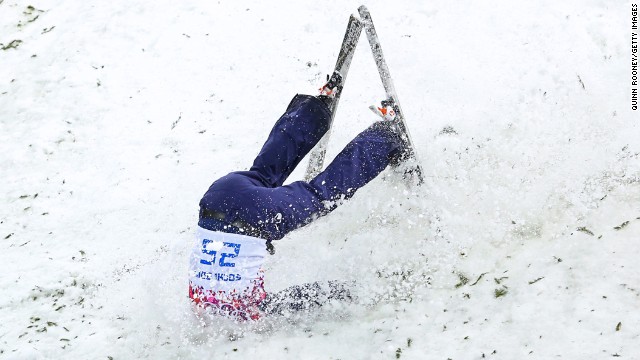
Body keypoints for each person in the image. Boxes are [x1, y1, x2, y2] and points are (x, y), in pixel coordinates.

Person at [188, 72, 408, 321]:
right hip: (218, 195)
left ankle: (385, 136)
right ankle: (316, 106)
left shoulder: (250, 316)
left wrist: (347, 293)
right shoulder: (199, 304)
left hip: (255, 214)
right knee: (263, 172)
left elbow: (302, 297)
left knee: (319, 195)